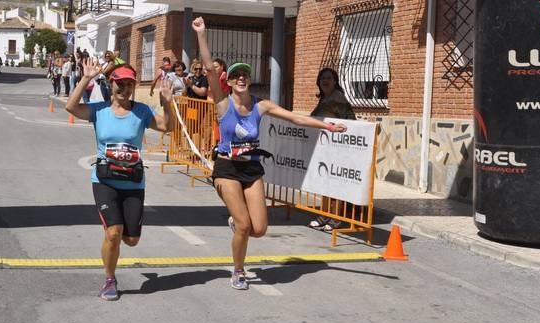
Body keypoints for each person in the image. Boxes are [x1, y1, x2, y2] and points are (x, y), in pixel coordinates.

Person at [192, 16, 349, 290]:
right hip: (227, 169)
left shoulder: (260, 105)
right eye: (236, 76)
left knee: (260, 229)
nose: (241, 79)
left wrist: (326, 125)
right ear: (228, 81)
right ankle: (238, 270)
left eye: (245, 75)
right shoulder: (222, 103)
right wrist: (202, 35)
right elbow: (208, 68)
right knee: (243, 226)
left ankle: (236, 225)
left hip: (252, 170)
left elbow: (295, 118)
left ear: (250, 80)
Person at [66, 58, 175, 301]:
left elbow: (167, 126)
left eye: (130, 86)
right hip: (105, 180)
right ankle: (109, 279)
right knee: (113, 233)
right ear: (111, 84)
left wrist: (167, 104)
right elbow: (72, 108)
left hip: (133, 182)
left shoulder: (142, 111)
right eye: (121, 85)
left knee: (132, 240)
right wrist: (85, 78)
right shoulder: (99, 110)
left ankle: (119, 244)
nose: (125, 90)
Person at [308, 67, 357, 231]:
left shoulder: (337, 99)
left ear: (335, 82)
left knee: (335, 184)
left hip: (340, 148)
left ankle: (335, 218)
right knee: (326, 182)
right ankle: (325, 215)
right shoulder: (325, 98)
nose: (325, 81)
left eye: (329, 78)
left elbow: (320, 119)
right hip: (327, 147)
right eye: (322, 78)